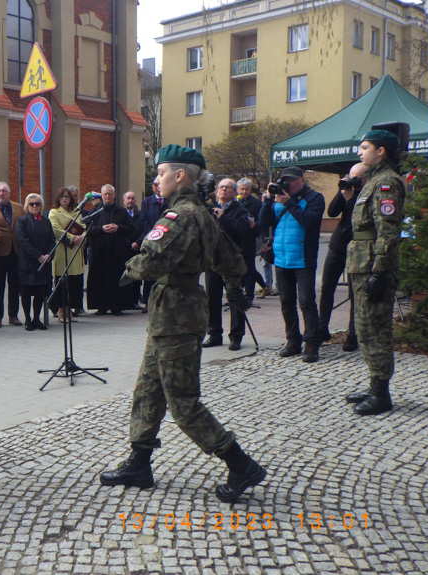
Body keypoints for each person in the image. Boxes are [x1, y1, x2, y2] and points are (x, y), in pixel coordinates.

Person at [99, 145, 264, 503]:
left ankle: (240, 463)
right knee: (148, 389)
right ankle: (139, 462)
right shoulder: (202, 213)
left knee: (183, 402)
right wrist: (236, 291)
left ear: (180, 175)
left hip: (176, 314)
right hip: (173, 314)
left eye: (160, 174)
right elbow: (232, 261)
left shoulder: (181, 216)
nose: (156, 180)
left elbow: (152, 262)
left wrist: (129, 268)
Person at [344, 130, 405, 416]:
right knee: (365, 327)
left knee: (375, 330)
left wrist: (380, 272)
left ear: (381, 151)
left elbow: (388, 232)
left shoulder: (386, 183)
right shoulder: (373, 181)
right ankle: (374, 385)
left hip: (373, 266)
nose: (360, 152)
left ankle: (381, 395)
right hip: (362, 264)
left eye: (365, 147)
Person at [259, 166, 325, 363]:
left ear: (302, 180)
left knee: (306, 302)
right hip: (281, 258)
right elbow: (264, 222)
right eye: (285, 180)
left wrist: (289, 203)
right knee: (286, 302)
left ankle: (312, 343)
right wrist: (267, 202)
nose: (288, 183)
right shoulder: (279, 197)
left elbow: (310, 222)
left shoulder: (315, 198)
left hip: (303, 258)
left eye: (292, 180)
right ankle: (293, 341)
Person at [319, 163, 365, 352]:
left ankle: (352, 334)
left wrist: (351, 199)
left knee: (354, 292)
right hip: (337, 245)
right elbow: (331, 212)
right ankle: (322, 328)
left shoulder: (367, 194)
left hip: (358, 247)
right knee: (327, 287)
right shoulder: (346, 191)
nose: (351, 180)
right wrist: (343, 192)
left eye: (355, 178)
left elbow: (360, 218)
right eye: (349, 176)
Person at [202, 179, 251, 350]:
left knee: (235, 297)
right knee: (212, 298)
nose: (223, 189)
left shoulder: (240, 210)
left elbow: (243, 230)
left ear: (234, 192)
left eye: (228, 187)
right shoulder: (208, 208)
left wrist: (224, 218)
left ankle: (236, 336)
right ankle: (214, 334)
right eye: (221, 187)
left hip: (231, 261)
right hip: (212, 260)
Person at [85, 184, 134, 315]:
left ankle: (117, 306)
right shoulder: (95, 211)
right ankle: (100, 306)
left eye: (110, 194)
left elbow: (130, 228)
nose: (107, 196)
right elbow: (88, 230)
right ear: (102, 196)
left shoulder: (121, 211)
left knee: (116, 279)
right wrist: (102, 229)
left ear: (114, 195)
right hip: (99, 252)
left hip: (116, 253)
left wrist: (118, 228)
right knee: (99, 279)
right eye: (105, 194)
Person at [0, 181, 25, 328]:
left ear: (9, 193)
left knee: (15, 285)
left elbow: (23, 228)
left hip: (16, 252)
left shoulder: (19, 208)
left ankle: (13, 315)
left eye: (4, 191)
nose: (1, 193)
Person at [47, 187, 87, 324]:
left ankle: (69, 308)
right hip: (62, 250)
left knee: (74, 282)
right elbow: (55, 229)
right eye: (62, 197)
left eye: (67, 197)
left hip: (75, 252)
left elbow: (84, 226)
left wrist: (82, 237)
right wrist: (71, 238)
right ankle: (60, 309)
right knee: (61, 282)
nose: (64, 199)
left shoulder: (76, 212)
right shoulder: (53, 212)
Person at [15, 194, 54, 330]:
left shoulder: (46, 221)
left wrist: (49, 254)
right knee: (26, 293)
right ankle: (28, 320)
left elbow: (52, 240)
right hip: (28, 263)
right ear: (27, 206)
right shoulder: (22, 221)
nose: (35, 206)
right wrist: (38, 256)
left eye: (37, 204)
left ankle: (37, 319)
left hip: (44, 263)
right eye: (31, 204)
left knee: (40, 293)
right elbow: (23, 241)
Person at [138, 176, 166, 312]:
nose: (157, 187)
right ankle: (148, 302)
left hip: (166, 242)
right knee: (149, 274)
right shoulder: (146, 202)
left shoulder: (170, 201)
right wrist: (153, 234)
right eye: (155, 185)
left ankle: (162, 302)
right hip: (151, 242)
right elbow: (143, 220)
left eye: (159, 184)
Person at [236, 178, 265, 304]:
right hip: (235, 238)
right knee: (236, 268)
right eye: (242, 189)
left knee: (249, 269)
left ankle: (249, 296)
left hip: (249, 239)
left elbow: (262, 221)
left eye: (246, 189)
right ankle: (237, 293)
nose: (244, 191)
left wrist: (254, 225)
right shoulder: (235, 201)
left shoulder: (256, 203)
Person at [122, 191, 145, 310]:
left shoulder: (140, 215)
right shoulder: (120, 214)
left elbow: (144, 230)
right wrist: (128, 243)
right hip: (124, 249)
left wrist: (138, 242)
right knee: (124, 275)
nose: (130, 200)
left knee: (136, 277)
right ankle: (124, 301)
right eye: (128, 198)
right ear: (124, 201)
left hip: (137, 249)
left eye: (132, 198)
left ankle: (135, 301)